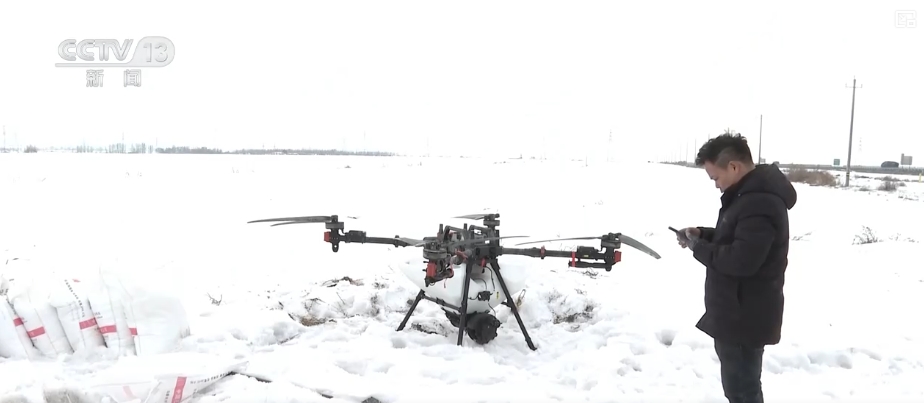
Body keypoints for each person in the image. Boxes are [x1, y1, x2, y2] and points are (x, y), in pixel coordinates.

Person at [675, 133, 797, 403]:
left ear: (733, 166)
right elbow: (739, 238)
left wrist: (698, 248)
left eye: (715, 178)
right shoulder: (747, 196)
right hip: (738, 313)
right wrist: (703, 234)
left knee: (742, 391)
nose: (716, 185)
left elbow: (742, 260)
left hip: (744, 317)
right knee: (740, 389)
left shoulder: (759, 202)